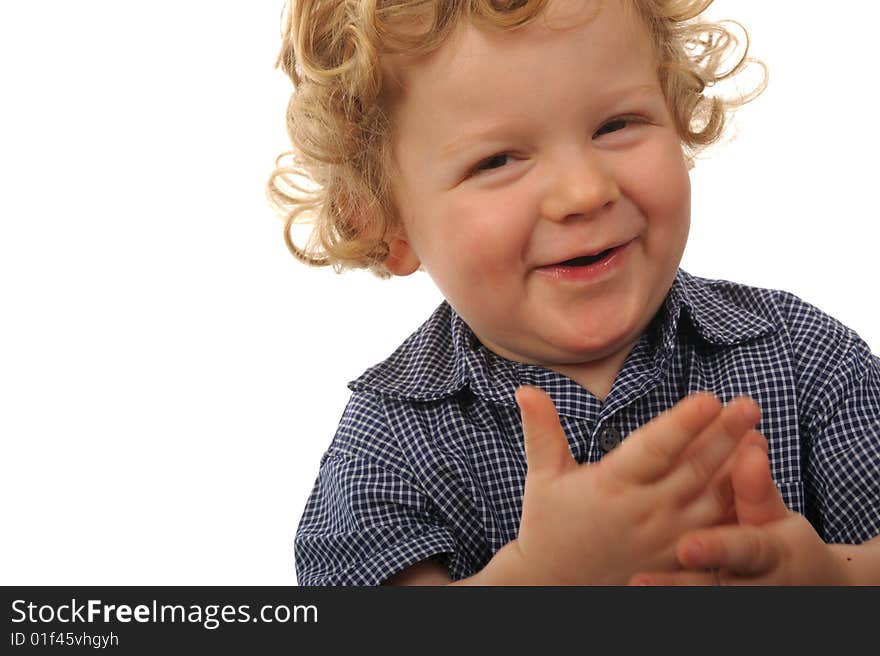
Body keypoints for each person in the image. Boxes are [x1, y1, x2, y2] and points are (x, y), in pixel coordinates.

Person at [268, 0, 880, 585]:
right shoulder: (390, 446)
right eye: (498, 160)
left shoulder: (805, 360)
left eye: (616, 124)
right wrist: (540, 582)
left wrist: (836, 586)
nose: (585, 192)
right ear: (386, 222)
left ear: (679, 114)